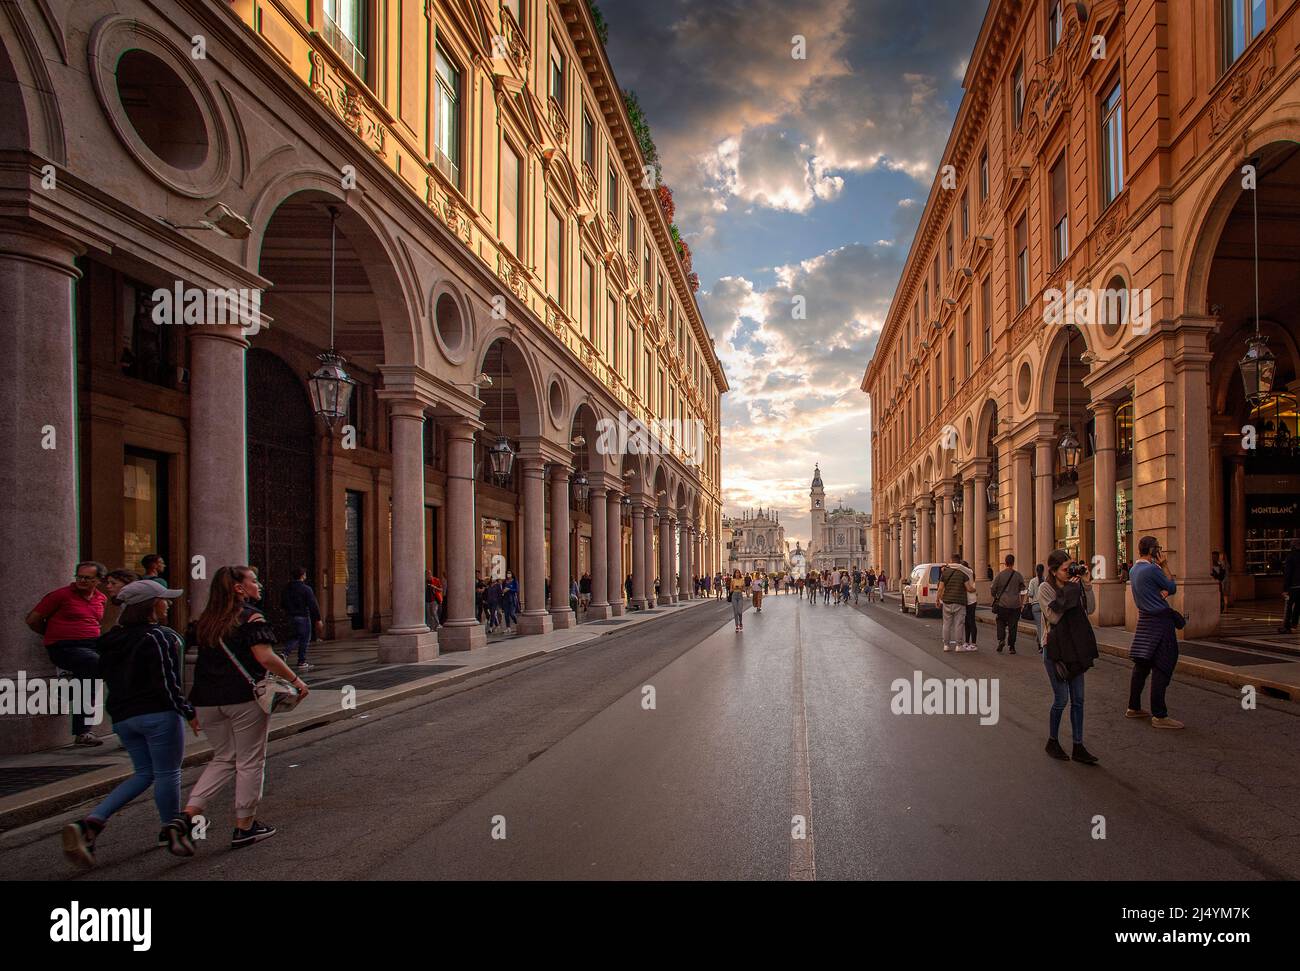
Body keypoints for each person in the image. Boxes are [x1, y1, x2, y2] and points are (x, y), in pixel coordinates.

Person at [61, 581, 196, 867]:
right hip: (158, 714)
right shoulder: (159, 637)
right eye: (163, 600)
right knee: (167, 772)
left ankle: (92, 822)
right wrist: (187, 710)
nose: (168, 604)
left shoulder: (110, 640)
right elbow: (167, 682)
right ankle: (171, 828)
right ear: (149, 606)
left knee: (143, 773)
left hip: (123, 718)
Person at [183, 565, 309, 849]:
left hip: (206, 702)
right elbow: (265, 657)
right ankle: (245, 825)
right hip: (241, 699)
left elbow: (203, 665)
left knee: (223, 758)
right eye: (254, 580)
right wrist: (296, 680)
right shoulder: (250, 617)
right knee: (250, 761)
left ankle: (188, 814)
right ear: (239, 588)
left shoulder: (205, 621)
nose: (259, 584)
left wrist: (191, 708)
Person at [26, 562, 109, 746]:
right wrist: (53, 634)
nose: (81, 580)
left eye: (87, 578)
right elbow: (32, 619)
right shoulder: (60, 595)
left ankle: (70, 700)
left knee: (95, 676)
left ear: (98, 581)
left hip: (92, 645)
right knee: (95, 667)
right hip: (64, 647)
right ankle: (80, 725)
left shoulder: (101, 598)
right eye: (79, 576)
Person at [1039, 549, 1099, 764]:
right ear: (1054, 571)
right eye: (1065, 569)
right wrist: (1071, 590)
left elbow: (1090, 609)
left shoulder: (1076, 584)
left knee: (1079, 700)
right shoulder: (1045, 589)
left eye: (1071, 566)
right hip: (1054, 650)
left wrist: (1086, 584)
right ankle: (1052, 740)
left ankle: (1078, 745)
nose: (1069, 571)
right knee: (1061, 699)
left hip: (1076, 648)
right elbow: (1054, 617)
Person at [1128, 536, 1184, 728]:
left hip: (1144, 621)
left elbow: (1153, 590)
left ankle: (1133, 706)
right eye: (1158, 548)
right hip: (1160, 623)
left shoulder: (1134, 570)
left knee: (1142, 665)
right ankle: (1159, 715)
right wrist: (1165, 565)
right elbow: (1172, 587)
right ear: (1152, 551)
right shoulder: (1152, 569)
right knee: (1163, 665)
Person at [280, 568, 322, 671]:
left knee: (295, 637)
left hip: (291, 616)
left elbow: (283, 603)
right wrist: (318, 619)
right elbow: (313, 605)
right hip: (303, 616)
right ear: (303, 575)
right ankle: (301, 661)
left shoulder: (286, 588)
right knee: (304, 638)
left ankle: (284, 654)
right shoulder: (306, 589)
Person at [936, 557, 975, 653]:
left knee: (946, 624)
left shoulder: (945, 573)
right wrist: (974, 590)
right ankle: (959, 645)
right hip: (960, 602)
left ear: (951, 561)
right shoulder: (963, 574)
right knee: (959, 624)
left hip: (947, 601)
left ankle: (946, 645)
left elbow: (940, 588)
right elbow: (968, 588)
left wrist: (937, 599)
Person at [990, 554, 1026, 654]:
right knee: (1013, 626)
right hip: (1015, 605)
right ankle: (1012, 647)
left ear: (1005, 563)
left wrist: (996, 596)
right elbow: (1023, 590)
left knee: (1000, 622)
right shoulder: (1018, 575)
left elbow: (993, 589)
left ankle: (1001, 639)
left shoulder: (1000, 575)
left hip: (1002, 604)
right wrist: (1021, 603)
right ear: (1013, 563)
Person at [1279, 539, 1300, 634]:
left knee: (1288, 607)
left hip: (1293, 586)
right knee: (1298, 607)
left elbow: (1288, 573)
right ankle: (1294, 624)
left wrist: (1285, 588)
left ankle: (1286, 627)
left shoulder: (1290, 556)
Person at [1027, 563, 1046, 652]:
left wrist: (1028, 591)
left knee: (1039, 626)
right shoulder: (1046, 580)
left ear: (1036, 570)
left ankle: (1041, 645)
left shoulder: (1033, 581)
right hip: (1044, 605)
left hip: (1035, 605)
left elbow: (1030, 594)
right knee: (1044, 626)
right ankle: (1040, 641)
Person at [961, 559, 978, 651]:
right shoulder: (965, 574)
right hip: (966, 601)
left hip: (971, 601)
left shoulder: (969, 572)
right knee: (967, 622)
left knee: (971, 622)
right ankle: (967, 642)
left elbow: (969, 588)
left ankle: (974, 643)